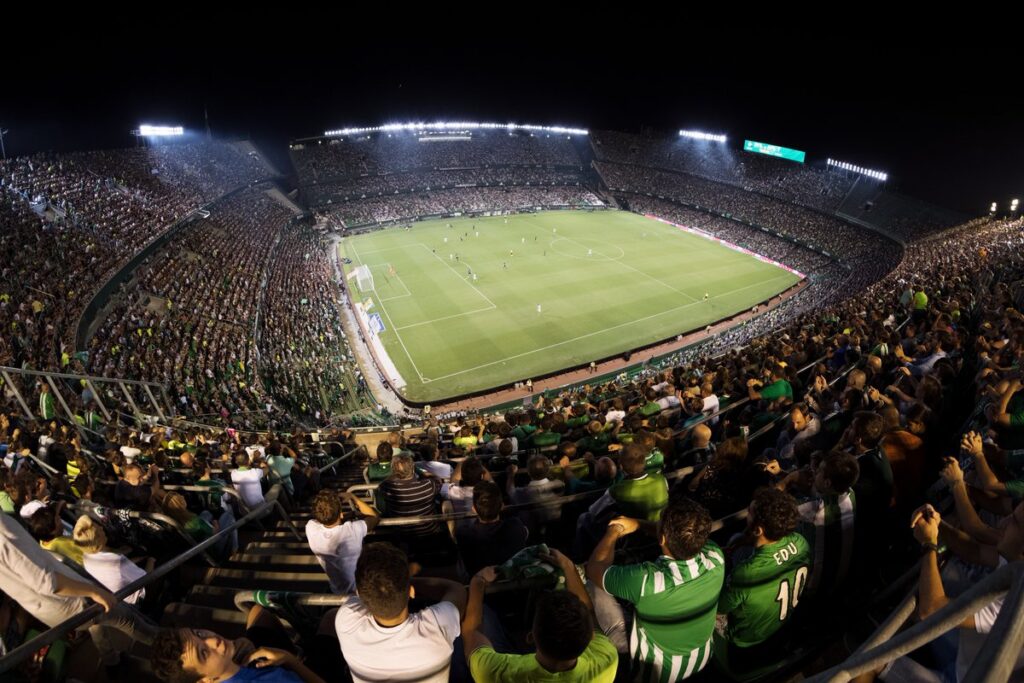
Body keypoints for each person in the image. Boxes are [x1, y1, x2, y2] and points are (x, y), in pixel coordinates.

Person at [586, 499, 725, 681]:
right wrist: (638, 524)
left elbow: (594, 567)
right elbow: (679, 537)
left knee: (593, 586)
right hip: (701, 658)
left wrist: (613, 532)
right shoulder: (716, 558)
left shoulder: (646, 581)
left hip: (657, 672)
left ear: (662, 538)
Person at [463, 548, 617, 682]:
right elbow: (589, 612)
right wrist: (568, 566)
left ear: (530, 637)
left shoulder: (495, 673)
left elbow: (471, 634)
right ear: (591, 636)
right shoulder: (607, 659)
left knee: (487, 614)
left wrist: (477, 583)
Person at [335, 543, 467, 683]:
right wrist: (403, 583)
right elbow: (456, 589)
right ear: (411, 591)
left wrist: (399, 584)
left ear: (359, 594)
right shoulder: (438, 625)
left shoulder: (346, 620)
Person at [716, 488, 810, 670]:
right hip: (782, 622)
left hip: (746, 639)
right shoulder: (801, 542)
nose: (747, 515)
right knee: (737, 540)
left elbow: (721, 607)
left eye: (749, 512)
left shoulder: (746, 573)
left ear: (758, 529)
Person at [306, 489, 379, 594]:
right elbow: (375, 516)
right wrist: (353, 497)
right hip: (360, 589)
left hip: (337, 590)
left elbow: (324, 522)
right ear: (341, 514)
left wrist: (345, 516)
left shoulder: (310, 528)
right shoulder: (352, 530)